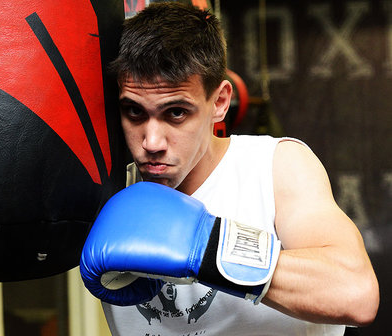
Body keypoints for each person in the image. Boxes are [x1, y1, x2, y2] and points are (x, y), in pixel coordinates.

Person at [82, 2, 380, 335]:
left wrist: (207, 249)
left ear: (220, 101)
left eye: (176, 113)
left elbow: (356, 294)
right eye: (134, 112)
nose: (151, 142)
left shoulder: (275, 167)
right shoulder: (104, 189)